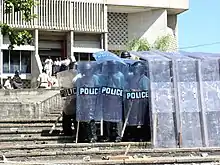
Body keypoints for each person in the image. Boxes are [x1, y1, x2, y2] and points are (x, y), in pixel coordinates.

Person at [100, 61, 125, 142]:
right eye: (111, 66)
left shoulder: (120, 75)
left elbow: (122, 87)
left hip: (117, 99)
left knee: (118, 118)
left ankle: (118, 135)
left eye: (113, 66)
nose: (112, 67)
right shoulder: (107, 75)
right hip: (108, 98)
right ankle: (107, 135)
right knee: (107, 118)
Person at [124, 61, 150, 141]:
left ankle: (142, 136)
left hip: (142, 104)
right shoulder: (132, 78)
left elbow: (146, 92)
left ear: (141, 69)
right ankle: (133, 135)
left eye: (137, 69)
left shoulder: (144, 79)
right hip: (133, 103)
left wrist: (136, 91)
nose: (135, 71)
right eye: (134, 69)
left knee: (141, 120)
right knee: (133, 119)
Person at [76, 62, 100, 143]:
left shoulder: (95, 78)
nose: (87, 72)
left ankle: (93, 136)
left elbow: (98, 90)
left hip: (92, 101)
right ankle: (84, 136)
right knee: (83, 119)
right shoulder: (80, 80)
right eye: (86, 71)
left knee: (91, 119)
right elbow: (78, 92)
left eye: (89, 70)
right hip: (83, 102)